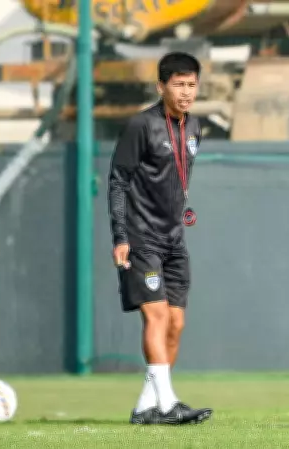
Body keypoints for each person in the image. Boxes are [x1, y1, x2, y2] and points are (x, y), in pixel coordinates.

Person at [108, 52, 212, 425]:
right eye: (178, 85)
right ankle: (168, 404)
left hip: (174, 239)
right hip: (142, 238)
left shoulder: (195, 126)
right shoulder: (141, 125)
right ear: (161, 87)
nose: (186, 92)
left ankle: (146, 406)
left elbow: (176, 178)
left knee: (175, 324)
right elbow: (118, 181)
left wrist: (181, 210)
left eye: (191, 85)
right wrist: (121, 236)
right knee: (156, 316)